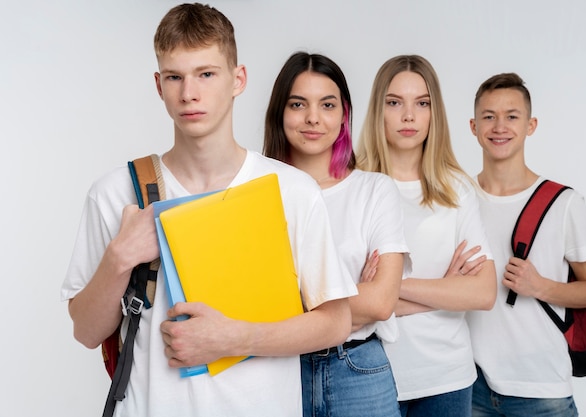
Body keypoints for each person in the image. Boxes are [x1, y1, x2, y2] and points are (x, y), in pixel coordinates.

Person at [60, 4, 357, 416]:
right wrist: (120, 258)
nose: (189, 93)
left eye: (206, 74)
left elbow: (336, 322)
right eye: (174, 77)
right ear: (158, 84)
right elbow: (86, 332)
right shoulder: (115, 192)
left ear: (238, 80)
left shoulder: (292, 190)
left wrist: (235, 340)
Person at [263, 51, 410, 417]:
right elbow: (248, 304)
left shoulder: (376, 191)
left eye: (327, 104)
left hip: (357, 370)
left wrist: (294, 301)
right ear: (280, 112)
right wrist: (345, 295)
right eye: (299, 104)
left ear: (343, 114)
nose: (313, 117)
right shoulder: (256, 191)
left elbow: (380, 302)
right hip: (276, 370)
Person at [356, 54, 497, 417]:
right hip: (367, 376)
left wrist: (388, 288)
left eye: (421, 103)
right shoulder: (354, 186)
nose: (408, 116)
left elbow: (482, 292)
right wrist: (447, 289)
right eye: (394, 103)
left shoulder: (457, 189)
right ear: (378, 110)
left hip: (446, 379)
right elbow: (345, 302)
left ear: (434, 113)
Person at [466, 72, 586, 417]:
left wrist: (540, 286)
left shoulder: (564, 202)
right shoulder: (457, 197)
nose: (500, 126)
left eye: (511, 116)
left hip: (542, 389)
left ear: (531, 125)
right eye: (489, 116)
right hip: (470, 384)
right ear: (473, 126)